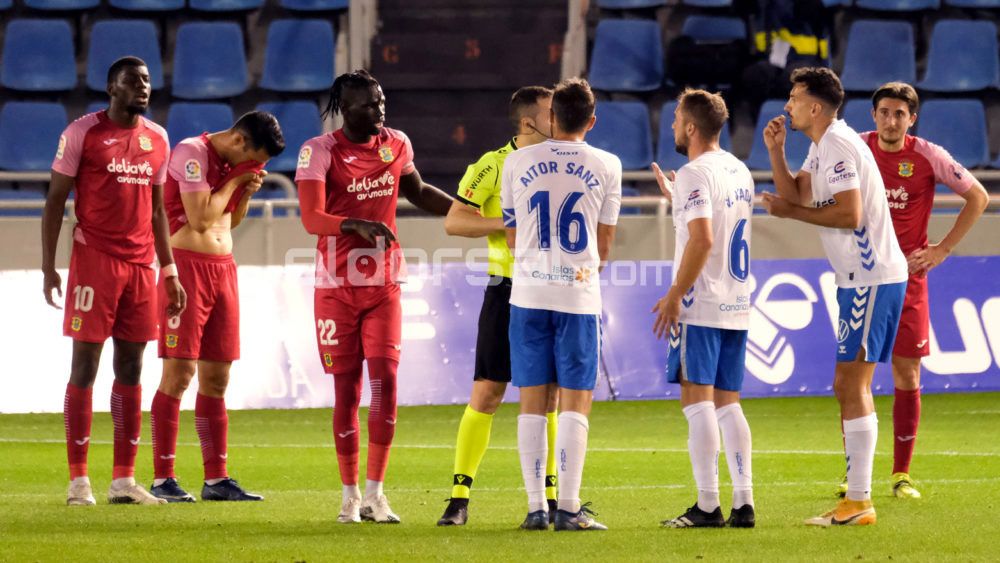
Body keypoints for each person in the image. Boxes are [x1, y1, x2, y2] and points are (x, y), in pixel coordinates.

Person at [295, 70, 453, 524]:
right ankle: (348, 496)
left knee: (385, 380)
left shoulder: (396, 143)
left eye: (381, 101)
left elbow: (418, 191)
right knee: (346, 391)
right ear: (345, 109)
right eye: (367, 104)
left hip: (384, 284)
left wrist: (468, 208)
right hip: (335, 287)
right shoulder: (319, 152)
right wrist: (353, 224)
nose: (378, 110)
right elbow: (311, 218)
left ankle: (375, 495)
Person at [762, 67, 908, 527]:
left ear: (816, 107)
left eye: (794, 96)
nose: (788, 104)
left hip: (870, 275)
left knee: (851, 384)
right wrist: (776, 151)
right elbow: (796, 193)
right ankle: (857, 500)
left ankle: (860, 502)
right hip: (856, 279)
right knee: (846, 384)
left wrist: (793, 213)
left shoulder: (840, 145)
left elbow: (849, 213)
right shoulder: (822, 146)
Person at [42, 56, 185, 506]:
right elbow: (54, 203)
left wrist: (170, 271)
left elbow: (160, 211)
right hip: (94, 261)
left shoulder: (158, 139)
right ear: (111, 88)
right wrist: (49, 266)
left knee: (132, 367)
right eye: (133, 81)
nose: (143, 87)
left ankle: (123, 480)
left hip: (142, 267)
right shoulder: (83, 133)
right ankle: (78, 480)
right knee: (84, 366)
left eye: (146, 80)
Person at [837, 82, 987, 499]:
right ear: (873, 115)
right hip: (863, 278)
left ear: (912, 119)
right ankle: (854, 476)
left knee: (907, 373)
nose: (890, 120)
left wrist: (943, 248)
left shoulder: (927, 155)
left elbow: (977, 196)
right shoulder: (855, 148)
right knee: (851, 380)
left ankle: (901, 474)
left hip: (908, 279)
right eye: (884, 112)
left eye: (899, 114)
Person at [501, 78, 621, 531]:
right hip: (578, 294)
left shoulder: (516, 162)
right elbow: (604, 245)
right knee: (576, 399)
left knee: (532, 399)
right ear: (591, 121)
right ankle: (569, 507)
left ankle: (535, 508)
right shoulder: (608, 164)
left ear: (552, 118)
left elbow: (513, 239)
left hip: (528, 293)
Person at [437, 86, 560, 527]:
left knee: (548, 398)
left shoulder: (560, 162)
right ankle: (458, 496)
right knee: (488, 394)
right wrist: (506, 222)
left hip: (550, 287)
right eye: (551, 112)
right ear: (530, 121)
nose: (559, 117)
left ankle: (550, 497)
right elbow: (454, 220)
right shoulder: (491, 165)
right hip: (506, 291)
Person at [149, 111, 286, 503]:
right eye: (254, 159)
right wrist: (237, 181)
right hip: (188, 267)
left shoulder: (239, 165)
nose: (255, 167)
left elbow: (231, 218)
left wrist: (245, 190)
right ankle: (163, 478)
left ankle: (216, 479)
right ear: (241, 141)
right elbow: (200, 218)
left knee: (217, 377)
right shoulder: (192, 152)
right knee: (179, 371)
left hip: (223, 269)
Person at [651, 89, 756, 529]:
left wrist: (676, 292)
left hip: (702, 302)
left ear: (691, 127)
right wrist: (679, 196)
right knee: (729, 403)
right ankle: (745, 501)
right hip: (736, 300)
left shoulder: (695, 173)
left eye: (677, 118)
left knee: (697, 401)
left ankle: (708, 505)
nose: (673, 125)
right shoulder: (739, 168)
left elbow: (703, 238)